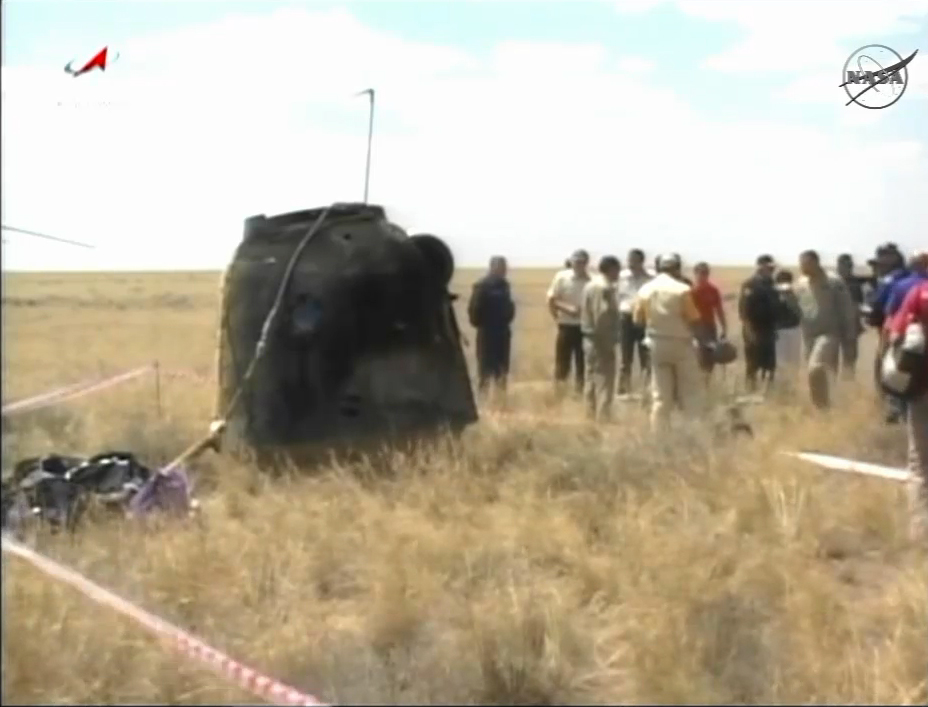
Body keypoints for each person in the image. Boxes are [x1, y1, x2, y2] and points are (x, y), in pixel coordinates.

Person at [633, 253, 705, 431]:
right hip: (681, 343)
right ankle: (692, 430)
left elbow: (637, 319)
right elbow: (693, 318)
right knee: (690, 392)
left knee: (660, 395)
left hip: (656, 344)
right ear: (677, 268)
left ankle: (659, 433)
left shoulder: (645, 290)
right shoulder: (682, 290)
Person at [885, 280, 928, 541]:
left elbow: (896, 336)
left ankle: (922, 535)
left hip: (923, 388)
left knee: (921, 465)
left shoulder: (919, 292)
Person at [794, 250, 858, 410]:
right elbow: (806, 309)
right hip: (809, 335)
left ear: (815, 263)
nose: (803, 267)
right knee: (821, 374)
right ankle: (825, 409)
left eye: (806, 264)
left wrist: (850, 336)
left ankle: (823, 406)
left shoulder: (833, 281)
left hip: (829, 334)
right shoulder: (801, 283)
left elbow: (846, 309)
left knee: (816, 368)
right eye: (801, 264)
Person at [868, 243, 910, 423]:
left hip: (894, 331)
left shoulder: (890, 280)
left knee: (885, 369)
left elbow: (877, 306)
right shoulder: (916, 277)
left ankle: (892, 410)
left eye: (883, 256)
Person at [580, 255, 622, 422]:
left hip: (589, 337)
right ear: (611, 269)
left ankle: (590, 413)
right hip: (600, 338)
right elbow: (602, 315)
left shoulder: (590, 285)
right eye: (617, 269)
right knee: (605, 378)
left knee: (590, 376)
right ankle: (604, 415)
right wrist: (609, 339)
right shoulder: (604, 288)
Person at [467, 255, 516, 395]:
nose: (505, 270)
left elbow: (509, 306)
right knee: (485, 368)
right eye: (502, 267)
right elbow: (474, 309)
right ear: (493, 267)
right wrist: (481, 324)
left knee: (502, 369)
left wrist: (508, 317)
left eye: (505, 267)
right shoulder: (482, 285)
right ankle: (484, 398)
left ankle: (501, 398)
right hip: (487, 332)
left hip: (503, 332)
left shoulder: (505, 285)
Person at [547, 249, 591, 395]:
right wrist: (567, 310)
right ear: (571, 262)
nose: (579, 265)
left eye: (582, 262)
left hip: (585, 327)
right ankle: (559, 392)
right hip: (565, 325)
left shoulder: (592, 280)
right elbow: (552, 299)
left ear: (586, 263)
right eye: (576, 262)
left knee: (582, 363)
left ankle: (580, 392)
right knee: (562, 362)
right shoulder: (561, 277)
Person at [738, 254, 780, 394]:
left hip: (769, 330)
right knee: (753, 363)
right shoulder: (750, 284)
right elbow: (744, 310)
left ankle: (768, 392)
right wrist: (749, 330)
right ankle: (751, 391)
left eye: (772, 268)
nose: (771, 270)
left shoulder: (772, 284)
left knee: (769, 364)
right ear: (760, 266)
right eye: (769, 267)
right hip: (754, 329)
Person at [616, 248, 653, 395]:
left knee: (646, 356)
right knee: (625, 357)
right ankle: (623, 389)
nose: (630, 263)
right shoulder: (621, 277)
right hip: (626, 318)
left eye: (634, 260)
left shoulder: (650, 278)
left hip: (645, 319)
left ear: (641, 261)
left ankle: (646, 390)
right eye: (629, 260)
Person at [691, 262, 727, 380]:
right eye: (700, 273)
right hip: (697, 326)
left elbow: (719, 310)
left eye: (705, 273)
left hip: (710, 326)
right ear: (695, 274)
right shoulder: (692, 291)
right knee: (699, 356)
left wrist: (724, 327)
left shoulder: (713, 290)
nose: (703, 276)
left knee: (711, 356)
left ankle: (707, 382)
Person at [836, 253, 866, 379]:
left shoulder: (855, 284)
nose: (845, 268)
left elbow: (857, 305)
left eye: (848, 266)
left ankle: (848, 385)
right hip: (833, 325)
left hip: (850, 325)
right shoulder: (833, 282)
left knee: (850, 359)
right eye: (843, 265)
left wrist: (857, 324)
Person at [773, 270, 803, 374]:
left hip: (794, 329)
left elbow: (800, 312)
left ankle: (792, 383)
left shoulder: (796, 294)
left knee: (794, 360)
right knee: (780, 360)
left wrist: (791, 299)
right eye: (781, 281)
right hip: (779, 330)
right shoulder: (772, 295)